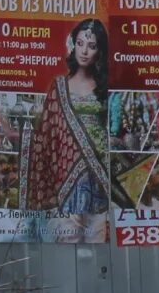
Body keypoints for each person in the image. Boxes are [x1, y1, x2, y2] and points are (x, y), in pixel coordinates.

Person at [22, 19, 111, 221]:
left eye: (92, 46)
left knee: (96, 230)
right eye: (80, 44)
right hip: (67, 167)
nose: (84, 51)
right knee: (70, 229)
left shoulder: (105, 87)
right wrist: (24, 134)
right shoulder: (59, 86)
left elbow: (115, 126)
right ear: (73, 45)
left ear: (100, 51)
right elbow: (47, 131)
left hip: (100, 167)